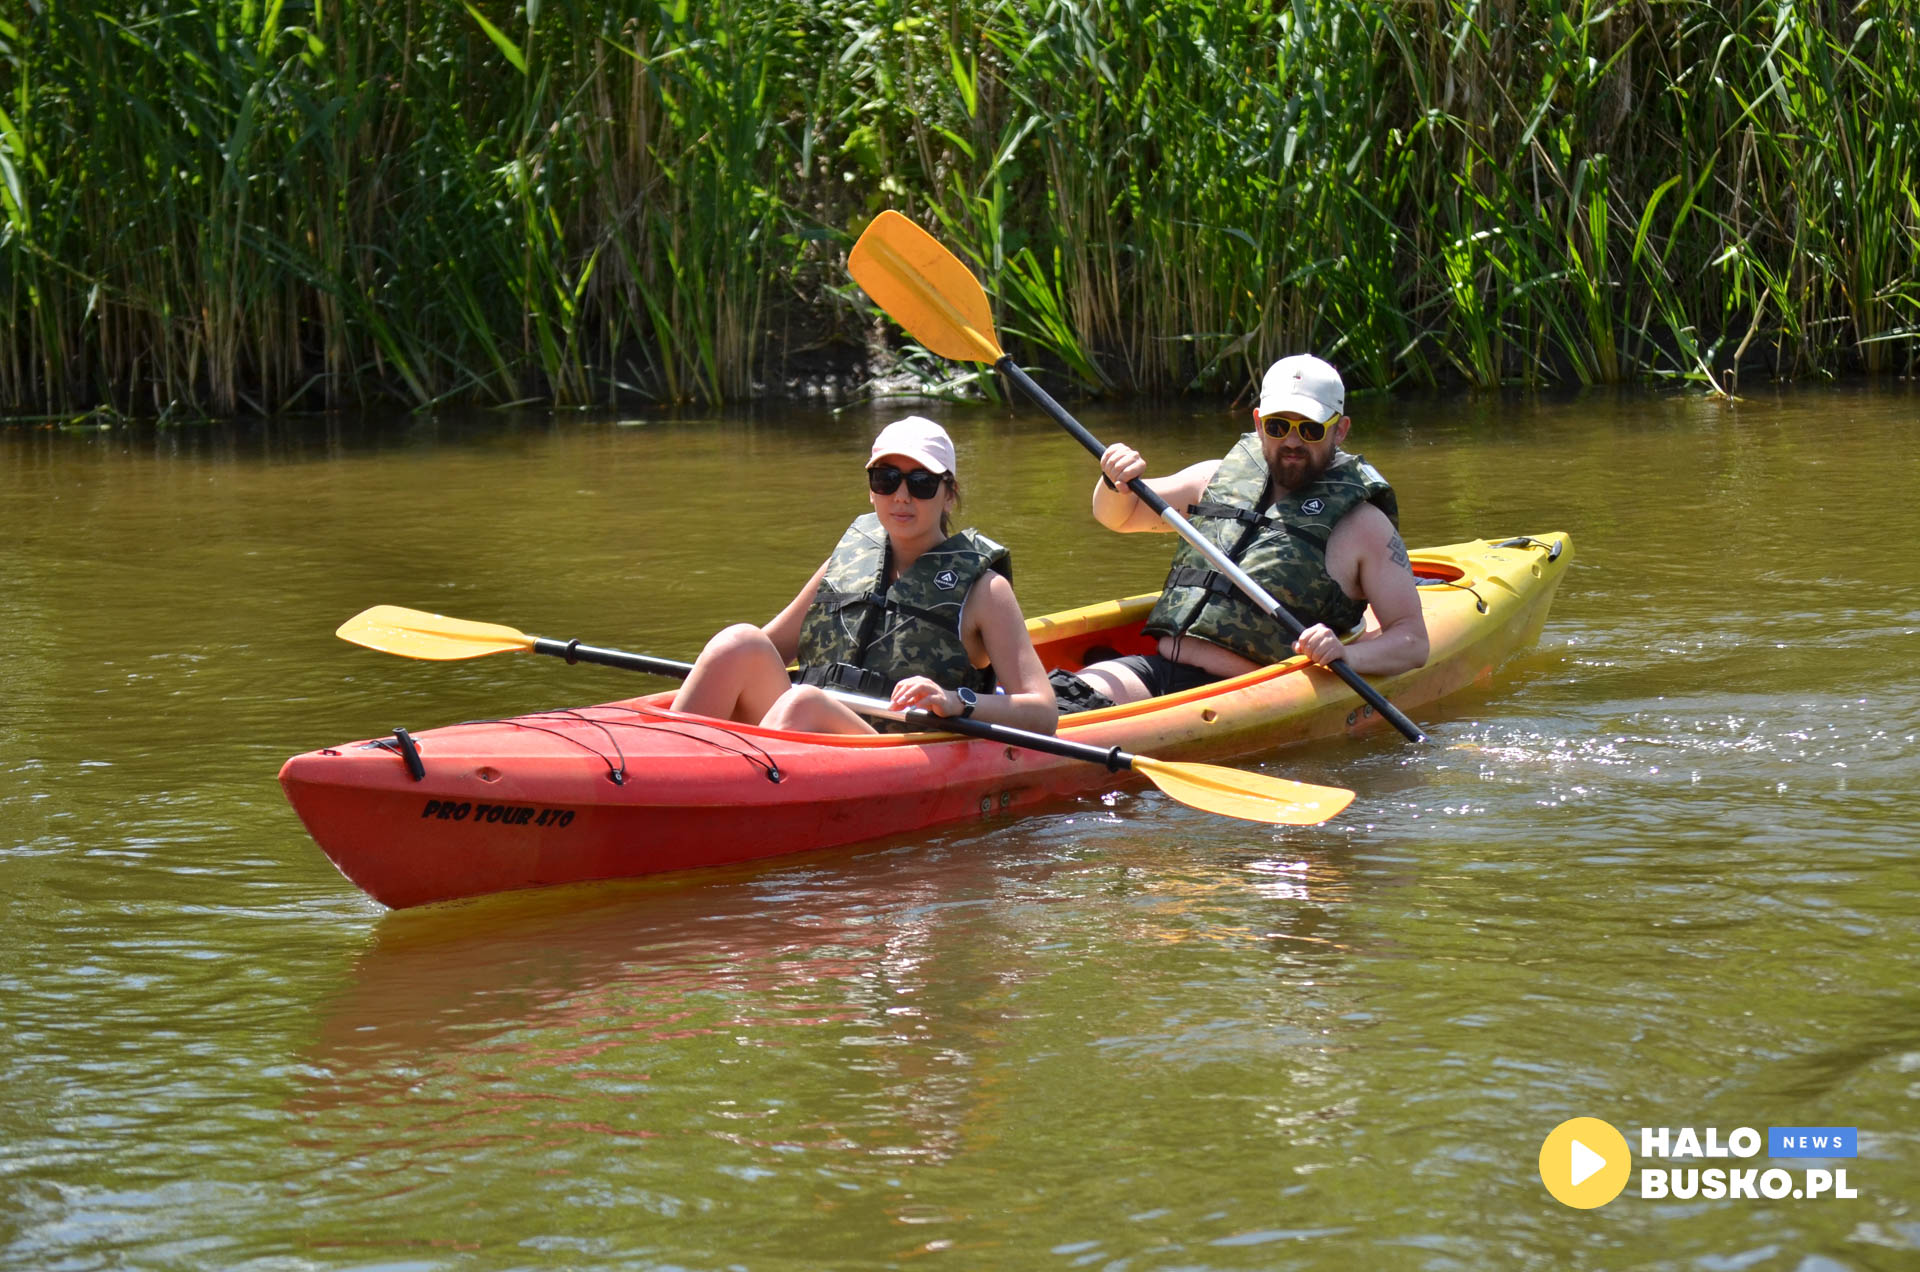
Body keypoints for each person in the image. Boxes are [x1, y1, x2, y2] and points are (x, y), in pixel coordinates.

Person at [1055, 354, 1428, 709]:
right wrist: (1113, 482)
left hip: (1261, 696)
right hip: (1163, 671)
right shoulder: (1212, 479)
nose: (1292, 442)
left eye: (1310, 430)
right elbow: (1119, 517)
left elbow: (1412, 641)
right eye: (1278, 427)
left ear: (1340, 430)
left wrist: (1347, 654)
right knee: (1069, 698)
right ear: (1258, 422)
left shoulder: (1364, 526)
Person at [672, 416, 1058, 736]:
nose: (901, 496)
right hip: (806, 730)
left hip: (892, 750)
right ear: (872, 491)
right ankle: (667, 760)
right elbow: (762, 652)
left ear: (949, 494)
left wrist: (956, 700)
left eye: (921, 482)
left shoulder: (986, 591)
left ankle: (731, 791)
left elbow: (1042, 712)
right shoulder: (845, 566)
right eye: (886, 480)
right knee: (737, 642)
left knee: (802, 701)